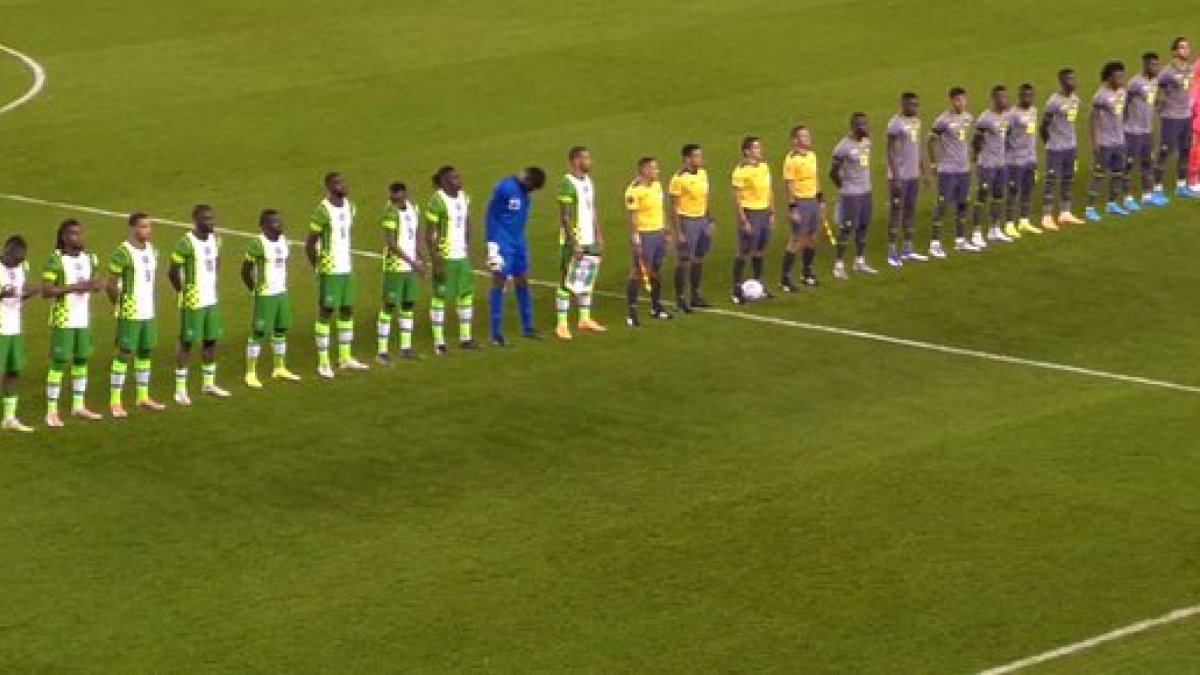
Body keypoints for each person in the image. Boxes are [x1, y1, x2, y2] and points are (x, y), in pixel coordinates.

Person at [307, 172, 369, 378]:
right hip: (330, 269)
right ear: (329, 187)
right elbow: (309, 244)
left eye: (343, 181)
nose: (342, 185)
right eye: (337, 183)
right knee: (326, 312)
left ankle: (345, 357)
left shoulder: (351, 207)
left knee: (347, 310)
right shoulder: (322, 212)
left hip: (346, 268)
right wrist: (318, 266)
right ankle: (323, 363)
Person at [41, 219, 102, 427]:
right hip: (63, 320)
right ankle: (51, 412)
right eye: (74, 234)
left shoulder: (90, 258)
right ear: (64, 238)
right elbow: (47, 291)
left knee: (81, 361)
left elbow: (96, 283)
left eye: (81, 233)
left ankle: (78, 406)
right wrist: (76, 287)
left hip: (82, 320)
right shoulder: (54, 260)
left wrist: (96, 285)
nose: (79, 237)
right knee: (59, 363)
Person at [106, 212, 166, 417]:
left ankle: (143, 396)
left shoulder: (152, 250)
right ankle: (115, 402)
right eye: (142, 226)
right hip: (130, 311)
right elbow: (110, 285)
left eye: (149, 226)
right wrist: (121, 306)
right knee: (124, 353)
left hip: (148, 310)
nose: (147, 230)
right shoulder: (122, 253)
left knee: (145, 352)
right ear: (132, 228)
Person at [168, 205, 230, 404]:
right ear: (195, 220)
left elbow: (217, 261)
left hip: (211, 299)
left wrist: (211, 281)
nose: (211, 222)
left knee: (210, 341)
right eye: (206, 219)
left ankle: (208, 384)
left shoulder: (215, 239)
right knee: (186, 344)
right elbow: (172, 271)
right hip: (192, 300)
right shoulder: (185, 243)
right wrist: (184, 292)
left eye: (212, 218)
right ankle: (180, 390)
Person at [486, 167, 546, 345]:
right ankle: (495, 333)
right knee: (500, 281)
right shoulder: (504, 188)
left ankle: (527, 327)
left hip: (518, 240)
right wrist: (492, 244)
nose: (532, 191)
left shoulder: (523, 191)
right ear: (527, 180)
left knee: (522, 279)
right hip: (501, 241)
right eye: (532, 187)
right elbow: (491, 215)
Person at [241, 208, 301, 386]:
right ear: (264, 226)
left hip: (281, 293)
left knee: (281, 329)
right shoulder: (257, 244)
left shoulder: (283, 241)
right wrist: (255, 290)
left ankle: (279, 368)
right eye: (274, 222)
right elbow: (245, 271)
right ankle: (250, 373)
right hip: (265, 295)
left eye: (279, 221)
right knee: (258, 332)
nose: (279, 224)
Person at [555, 147, 606, 339]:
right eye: (585, 158)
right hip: (573, 241)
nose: (589, 161)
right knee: (566, 281)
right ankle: (561, 324)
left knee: (586, 278)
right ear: (575, 161)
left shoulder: (588, 182)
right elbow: (565, 217)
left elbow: (591, 210)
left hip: (589, 239)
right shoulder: (566, 184)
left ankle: (584, 319)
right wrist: (574, 242)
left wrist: (598, 234)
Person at [426, 165, 476, 354]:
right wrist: (436, 260)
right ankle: (439, 342)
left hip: (461, 255)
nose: (459, 181)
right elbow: (430, 235)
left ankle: (466, 337)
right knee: (440, 298)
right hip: (445, 257)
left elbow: (467, 222)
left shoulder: (464, 197)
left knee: (465, 294)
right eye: (454, 178)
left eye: (459, 177)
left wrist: (468, 248)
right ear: (445, 182)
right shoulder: (436, 202)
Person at [376, 182, 425, 361]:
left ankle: (405, 347)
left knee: (407, 304)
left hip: (410, 266)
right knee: (389, 305)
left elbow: (416, 234)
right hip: (394, 266)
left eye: (396, 194)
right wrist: (413, 263)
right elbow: (391, 243)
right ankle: (382, 351)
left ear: (404, 194)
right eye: (391, 194)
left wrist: (421, 259)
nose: (393, 197)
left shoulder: (413, 209)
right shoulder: (389, 212)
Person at [625, 157, 672, 326]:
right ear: (644, 170)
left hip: (658, 232)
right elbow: (631, 218)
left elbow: (661, 209)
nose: (657, 171)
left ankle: (656, 306)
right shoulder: (634, 191)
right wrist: (636, 240)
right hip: (644, 235)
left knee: (657, 270)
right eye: (653, 168)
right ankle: (631, 313)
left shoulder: (657, 186)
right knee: (637, 272)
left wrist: (666, 231)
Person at [929, 87, 976, 255]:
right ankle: (934, 244)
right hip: (947, 170)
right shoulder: (942, 121)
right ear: (951, 101)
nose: (961, 103)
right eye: (957, 100)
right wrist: (934, 164)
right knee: (942, 205)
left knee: (963, 204)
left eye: (963, 99)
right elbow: (930, 141)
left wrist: (971, 155)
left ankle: (960, 240)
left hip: (963, 169)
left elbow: (967, 140)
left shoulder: (968, 118)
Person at [829, 112, 877, 278]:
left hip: (866, 192)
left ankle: (859, 261)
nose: (866, 127)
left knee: (863, 226)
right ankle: (839, 265)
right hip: (851, 194)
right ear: (854, 127)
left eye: (866, 123)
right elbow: (832, 172)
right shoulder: (843, 147)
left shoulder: (867, 142)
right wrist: (843, 188)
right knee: (846, 229)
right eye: (862, 125)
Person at [885, 92, 929, 266]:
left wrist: (925, 172)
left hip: (913, 176)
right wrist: (895, 177)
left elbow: (918, 147)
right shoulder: (895, 124)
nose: (915, 108)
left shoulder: (916, 122)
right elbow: (889, 151)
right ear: (903, 105)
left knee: (910, 211)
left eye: (916, 105)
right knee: (896, 212)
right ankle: (891, 252)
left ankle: (907, 249)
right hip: (899, 177)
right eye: (911, 105)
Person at [1152, 37, 1197, 201]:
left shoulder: (1191, 69)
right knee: (1164, 152)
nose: (1186, 50)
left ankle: (1181, 186)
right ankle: (1156, 189)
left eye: (1187, 47)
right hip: (1171, 118)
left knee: (1185, 151)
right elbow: (1155, 85)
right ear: (1174, 52)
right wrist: (1160, 102)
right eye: (1182, 48)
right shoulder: (1167, 71)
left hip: (1186, 117)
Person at [668, 144, 713, 310]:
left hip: (701, 220)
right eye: (696, 156)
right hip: (687, 221)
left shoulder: (702, 173)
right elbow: (673, 207)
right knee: (684, 260)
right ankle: (680, 298)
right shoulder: (678, 179)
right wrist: (678, 231)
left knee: (699, 257)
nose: (700, 159)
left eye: (700, 156)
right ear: (687, 158)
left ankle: (695, 294)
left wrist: (709, 219)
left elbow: (704, 198)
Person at [730, 136, 774, 303]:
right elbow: (737, 198)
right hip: (750, 213)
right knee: (744, 251)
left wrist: (772, 212)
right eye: (756, 148)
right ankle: (736, 289)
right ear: (747, 151)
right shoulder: (740, 171)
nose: (759, 150)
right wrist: (743, 220)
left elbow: (769, 190)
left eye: (759, 147)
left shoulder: (764, 167)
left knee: (760, 249)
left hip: (764, 212)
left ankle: (759, 284)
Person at [1041, 68, 1085, 229]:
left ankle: (1065, 212)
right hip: (1056, 148)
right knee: (1051, 180)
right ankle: (1046, 216)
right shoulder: (1053, 102)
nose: (1073, 82)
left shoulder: (1075, 100)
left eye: (1074, 78)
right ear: (1061, 82)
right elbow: (1043, 126)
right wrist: (1049, 143)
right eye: (1069, 79)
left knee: (1068, 178)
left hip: (1070, 146)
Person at [1086, 62, 1130, 221]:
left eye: (1122, 76)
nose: (1121, 79)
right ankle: (1089, 208)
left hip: (1119, 141)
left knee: (1118, 173)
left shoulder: (1123, 92)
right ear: (1109, 77)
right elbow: (1093, 119)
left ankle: (1112, 204)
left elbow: (1123, 114)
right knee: (1098, 175)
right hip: (1105, 142)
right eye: (1118, 76)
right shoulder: (1100, 95)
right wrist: (1095, 141)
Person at [781, 126, 824, 288]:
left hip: (813, 200)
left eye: (808, 135)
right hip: (800, 202)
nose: (809, 138)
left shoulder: (812, 156)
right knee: (796, 239)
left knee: (812, 238)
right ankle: (785, 278)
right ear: (795, 141)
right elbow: (789, 185)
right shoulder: (791, 160)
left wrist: (821, 199)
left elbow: (815, 178)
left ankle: (807, 273)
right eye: (804, 136)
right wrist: (793, 208)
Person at [0, 236, 34, 432]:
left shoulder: (22, 267)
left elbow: (19, 294)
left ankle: (9, 418)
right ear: (7, 251)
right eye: (16, 256)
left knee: (14, 371)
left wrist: (30, 292)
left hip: (15, 328)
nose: (19, 260)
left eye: (22, 257)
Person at [972, 85, 1012, 244]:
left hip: (1001, 164)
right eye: (1002, 97)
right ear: (994, 99)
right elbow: (975, 141)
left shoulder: (1006, 116)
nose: (1005, 100)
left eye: (1006, 97)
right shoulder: (985, 118)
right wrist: (979, 158)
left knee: (998, 196)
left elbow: (1006, 135)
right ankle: (976, 233)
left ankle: (994, 229)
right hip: (987, 165)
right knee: (981, 197)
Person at [1004, 84, 1043, 236]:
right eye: (1026, 95)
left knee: (1027, 190)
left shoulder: (1034, 110)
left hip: (1030, 159)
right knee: (1013, 191)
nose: (1029, 98)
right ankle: (1008, 223)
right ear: (1019, 96)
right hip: (1015, 160)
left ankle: (1024, 221)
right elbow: (1004, 135)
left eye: (1031, 95)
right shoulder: (1012, 115)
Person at [1123, 53, 1161, 210]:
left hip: (1147, 131)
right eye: (1152, 65)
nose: (1156, 68)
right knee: (1128, 166)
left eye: (1157, 65)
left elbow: (1151, 101)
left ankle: (1147, 196)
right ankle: (1127, 198)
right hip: (1132, 132)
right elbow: (1124, 102)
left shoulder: (1154, 82)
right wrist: (1123, 123)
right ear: (1145, 65)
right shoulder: (1135, 83)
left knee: (1147, 163)